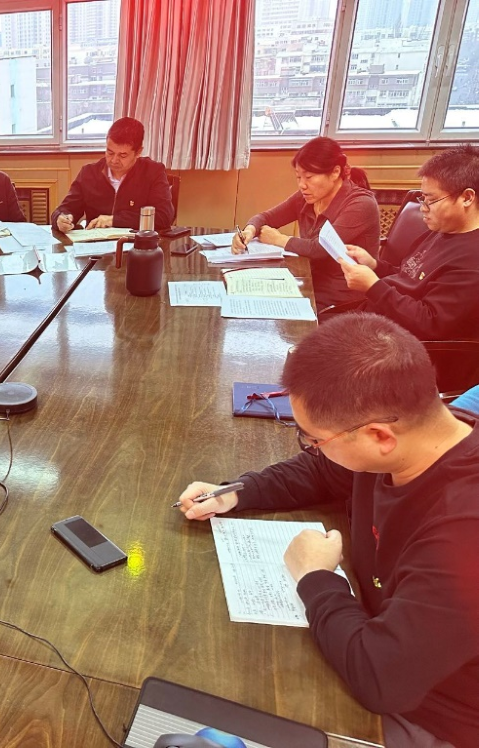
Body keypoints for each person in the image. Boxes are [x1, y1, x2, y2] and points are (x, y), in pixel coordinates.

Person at [177, 313, 479, 748]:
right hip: (374, 636)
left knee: (217, 700)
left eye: (314, 439)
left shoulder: (463, 533)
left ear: (379, 436)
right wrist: (238, 493)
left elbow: (381, 679)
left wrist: (316, 577)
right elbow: (323, 471)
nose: (312, 449)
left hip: (431, 714)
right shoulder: (416, 438)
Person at [340, 145, 479, 341]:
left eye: (431, 200)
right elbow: (409, 276)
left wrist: (373, 286)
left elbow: (430, 323)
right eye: (423, 198)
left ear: (467, 197)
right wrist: (374, 265)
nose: (423, 208)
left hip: (397, 345)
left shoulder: (472, 261)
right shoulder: (441, 231)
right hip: (376, 322)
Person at [232, 137, 380, 309]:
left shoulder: (361, 204)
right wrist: (249, 230)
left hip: (342, 299)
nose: (302, 185)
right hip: (309, 281)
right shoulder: (308, 197)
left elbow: (319, 249)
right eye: (298, 177)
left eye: (309, 177)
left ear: (335, 172)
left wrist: (278, 239)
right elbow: (267, 217)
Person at [51, 117, 174, 233]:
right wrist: (60, 219)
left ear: (138, 152)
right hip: (96, 244)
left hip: (137, 244)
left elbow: (163, 217)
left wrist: (114, 220)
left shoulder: (153, 172)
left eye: (122, 155)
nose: (114, 160)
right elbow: (66, 208)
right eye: (110, 152)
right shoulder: (89, 173)